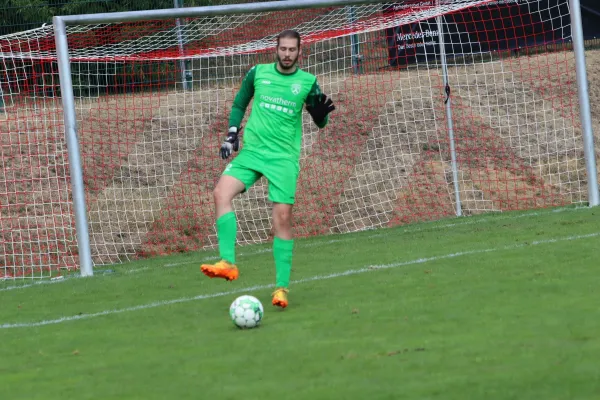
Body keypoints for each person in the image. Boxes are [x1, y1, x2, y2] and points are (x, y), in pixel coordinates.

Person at [200, 29, 335, 309]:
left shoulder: (308, 82)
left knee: (282, 220)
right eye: (283, 49)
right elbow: (240, 102)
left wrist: (320, 119)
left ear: (300, 52)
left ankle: (281, 289)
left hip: (284, 158)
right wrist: (232, 133)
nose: (287, 54)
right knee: (220, 194)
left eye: (292, 50)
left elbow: (320, 118)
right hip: (252, 152)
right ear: (276, 49)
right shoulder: (257, 73)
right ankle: (228, 262)